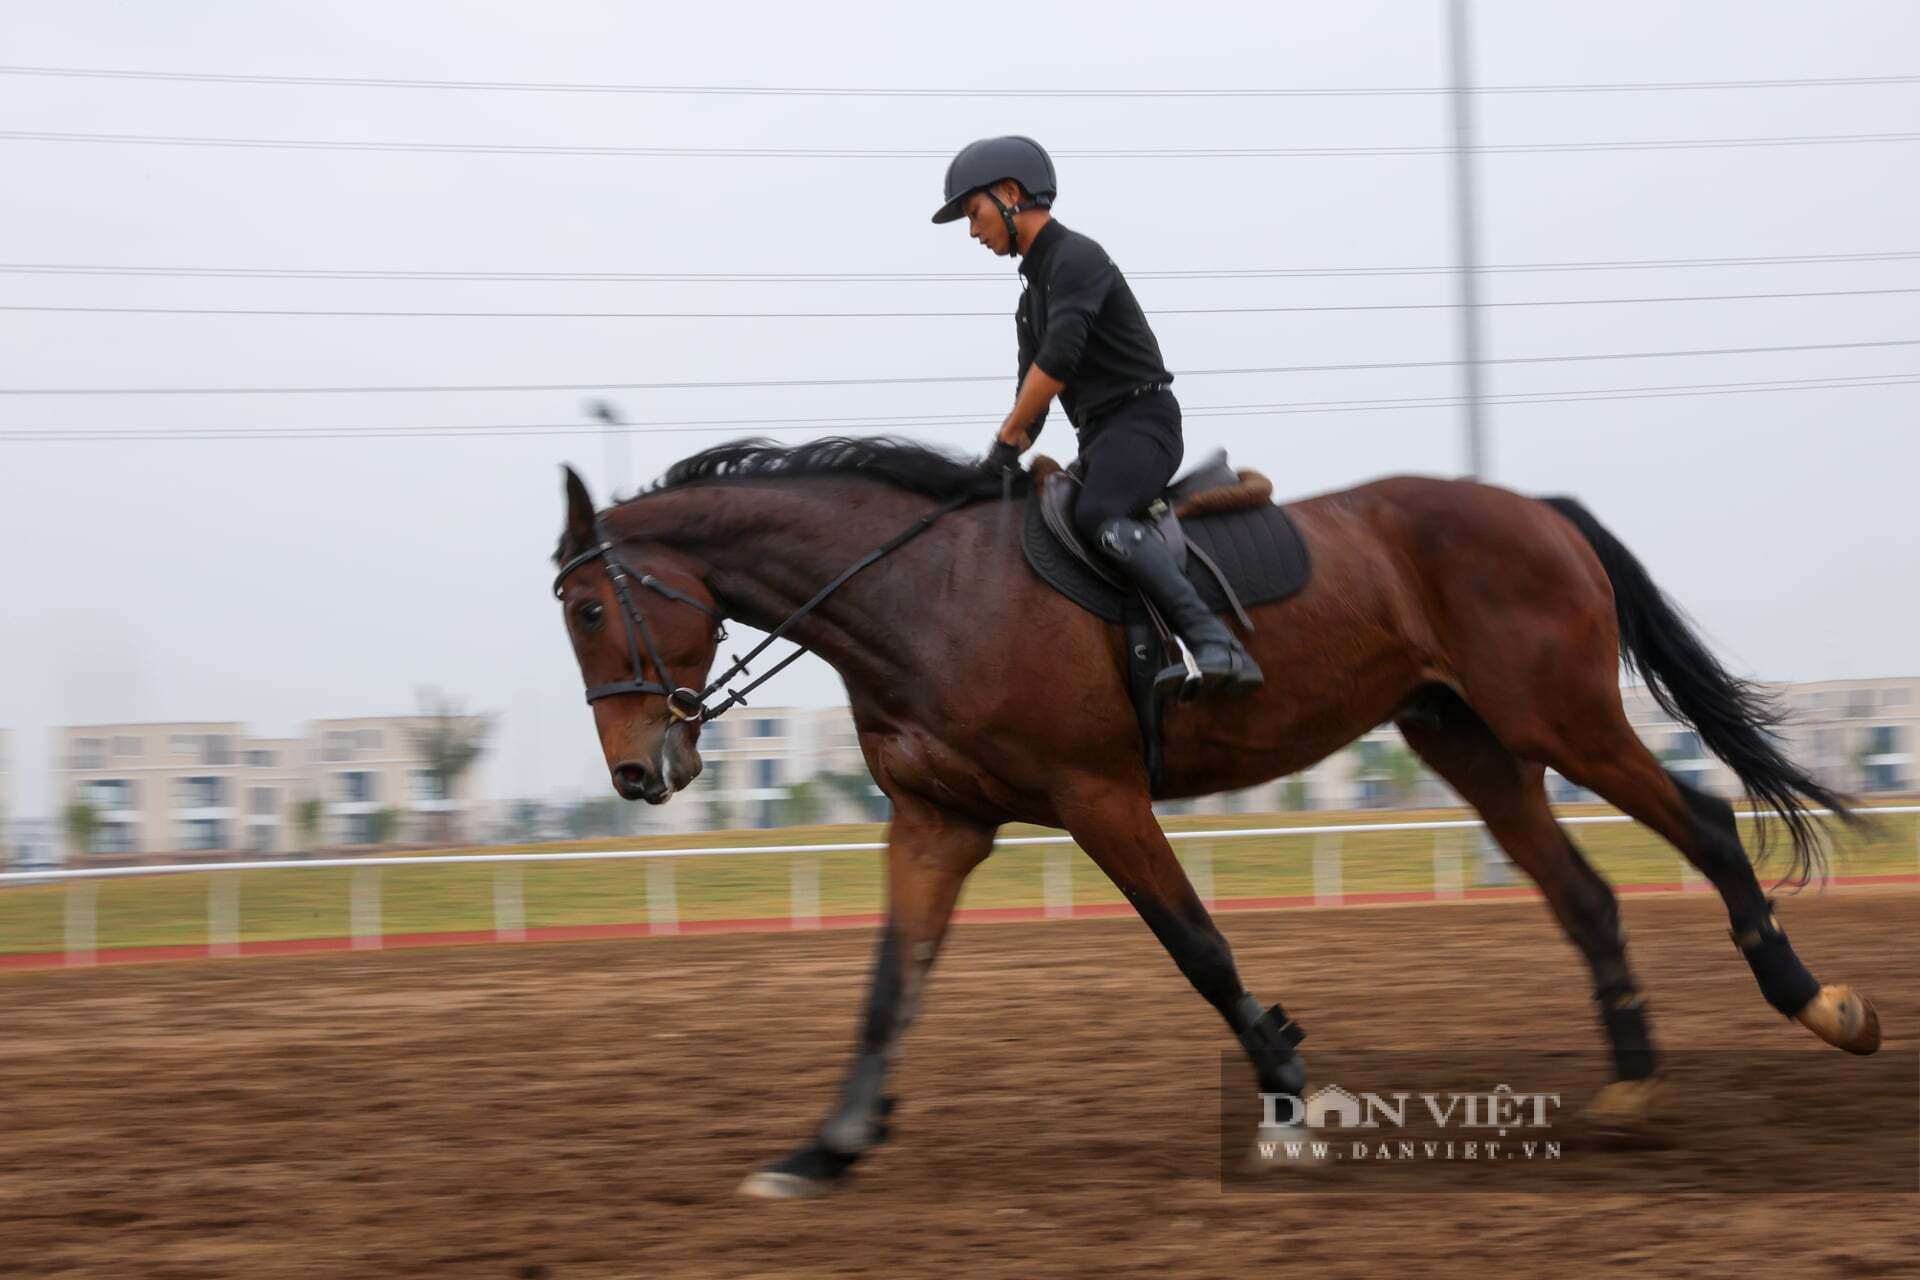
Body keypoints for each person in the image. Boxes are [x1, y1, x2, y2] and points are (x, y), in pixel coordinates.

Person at [932, 135, 1263, 697]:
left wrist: (1009, 437)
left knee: (1097, 514)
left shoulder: (1077, 258)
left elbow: (1057, 362)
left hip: (1144, 425)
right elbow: (1030, 402)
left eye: (975, 212)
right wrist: (998, 463)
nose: (972, 230)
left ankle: (1214, 642)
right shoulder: (1029, 299)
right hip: (1103, 436)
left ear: (1011, 194)